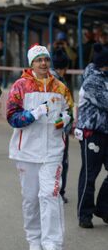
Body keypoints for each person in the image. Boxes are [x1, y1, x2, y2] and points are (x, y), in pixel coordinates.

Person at [7, 44, 74, 250]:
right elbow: (12, 117)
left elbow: (69, 112)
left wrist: (64, 120)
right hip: (26, 152)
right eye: (38, 60)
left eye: (45, 59)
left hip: (53, 151)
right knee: (30, 199)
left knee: (50, 195)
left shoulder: (60, 87)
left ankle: (52, 243)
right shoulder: (20, 86)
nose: (43, 63)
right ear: (31, 64)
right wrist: (35, 113)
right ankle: (34, 239)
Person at [75, 43, 108, 228]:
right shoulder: (92, 81)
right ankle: (84, 214)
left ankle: (103, 208)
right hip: (92, 133)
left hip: (106, 132)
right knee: (90, 174)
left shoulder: (105, 77)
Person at [51, 49, 72, 204]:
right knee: (61, 162)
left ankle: (50, 190)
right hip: (59, 129)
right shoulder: (60, 83)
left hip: (47, 129)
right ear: (63, 67)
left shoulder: (45, 80)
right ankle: (58, 191)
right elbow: (68, 107)